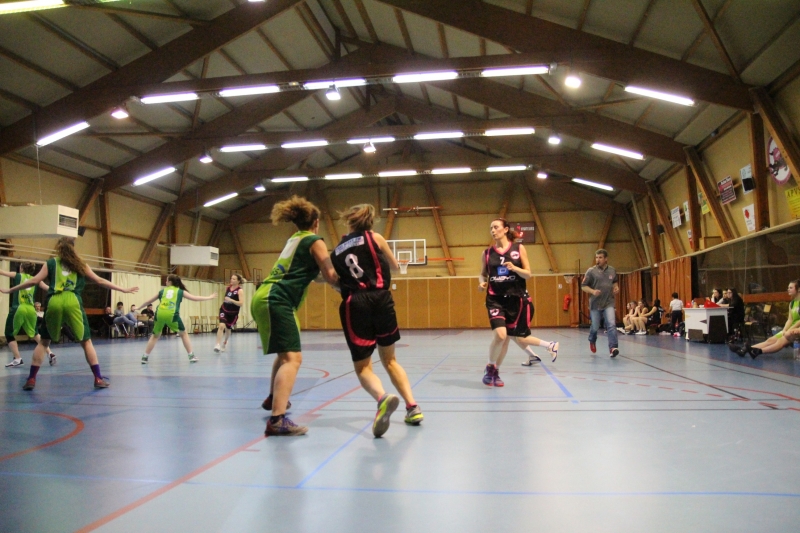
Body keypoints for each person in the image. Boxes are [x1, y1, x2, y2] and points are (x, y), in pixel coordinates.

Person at [331, 204, 423, 437]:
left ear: (348, 221)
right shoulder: (376, 238)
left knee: (363, 367)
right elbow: (394, 265)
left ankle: (383, 398)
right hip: (383, 299)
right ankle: (412, 407)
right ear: (370, 221)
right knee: (390, 359)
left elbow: (332, 280)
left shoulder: (338, 250)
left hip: (356, 304)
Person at [0, 237, 138, 390]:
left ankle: (31, 379)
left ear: (59, 247)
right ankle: (98, 378)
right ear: (74, 248)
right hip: (73, 300)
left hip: (54, 301)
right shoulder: (80, 265)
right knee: (86, 342)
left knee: (44, 341)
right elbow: (100, 281)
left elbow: (34, 281)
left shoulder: (51, 263)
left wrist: (10, 290)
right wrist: (123, 289)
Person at [252, 196, 338, 437]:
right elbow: (330, 275)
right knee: (293, 358)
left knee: (284, 355)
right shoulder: (314, 240)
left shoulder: (295, 239)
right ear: (316, 222)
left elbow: (315, 275)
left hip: (267, 297)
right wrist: (352, 288)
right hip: (276, 299)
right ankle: (277, 420)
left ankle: (273, 399)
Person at [479, 218, 559, 386]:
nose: (493, 230)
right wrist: (481, 283)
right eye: (490, 228)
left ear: (505, 229)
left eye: (496, 227)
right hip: (495, 299)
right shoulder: (487, 254)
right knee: (500, 335)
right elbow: (483, 274)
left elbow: (528, 274)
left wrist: (514, 268)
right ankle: (490, 367)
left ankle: (495, 372)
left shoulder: (518, 249)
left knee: (506, 339)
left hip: (515, 299)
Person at [138, 275, 216, 364]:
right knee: (183, 334)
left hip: (159, 314)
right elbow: (195, 298)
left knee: (155, 336)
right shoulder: (180, 291)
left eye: (166, 281)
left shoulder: (162, 291)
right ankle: (191, 356)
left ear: (170, 282)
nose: (165, 282)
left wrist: (139, 307)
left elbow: (148, 301)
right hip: (171, 314)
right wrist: (209, 297)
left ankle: (145, 357)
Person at [2, 263, 55, 367]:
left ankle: (17, 359)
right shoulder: (36, 279)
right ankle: (50, 353)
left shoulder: (17, 275)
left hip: (19, 308)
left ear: (21, 268)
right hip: (31, 309)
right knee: (35, 333)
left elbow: (2, 272)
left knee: (8, 333)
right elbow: (48, 288)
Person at [742, 280, 800, 358]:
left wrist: (789, 330)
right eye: (788, 288)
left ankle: (758, 351)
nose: (788, 289)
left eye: (791, 288)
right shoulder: (792, 303)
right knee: (771, 340)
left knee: (782, 339)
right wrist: (785, 329)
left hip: (796, 328)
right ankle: (746, 349)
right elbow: (790, 319)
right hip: (792, 327)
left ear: (798, 289)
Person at [581, 248, 620, 357]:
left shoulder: (612, 270)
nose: (598, 260)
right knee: (595, 326)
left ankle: (613, 348)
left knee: (611, 324)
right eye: (596, 257)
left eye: (600, 257)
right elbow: (583, 286)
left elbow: (615, 282)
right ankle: (592, 339)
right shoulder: (591, 271)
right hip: (595, 303)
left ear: (606, 259)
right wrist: (593, 291)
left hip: (609, 302)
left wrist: (616, 288)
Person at [215, 273, 245, 353]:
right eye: (231, 278)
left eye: (234, 279)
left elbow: (241, 303)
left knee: (228, 329)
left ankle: (225, 342)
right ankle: (217, 344)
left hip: (233, 313)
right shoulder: (227, 288)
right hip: (224, 310)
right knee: (221, 326)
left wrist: (231, 300)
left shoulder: (240, 290)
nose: (232, 280)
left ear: (238, 281)